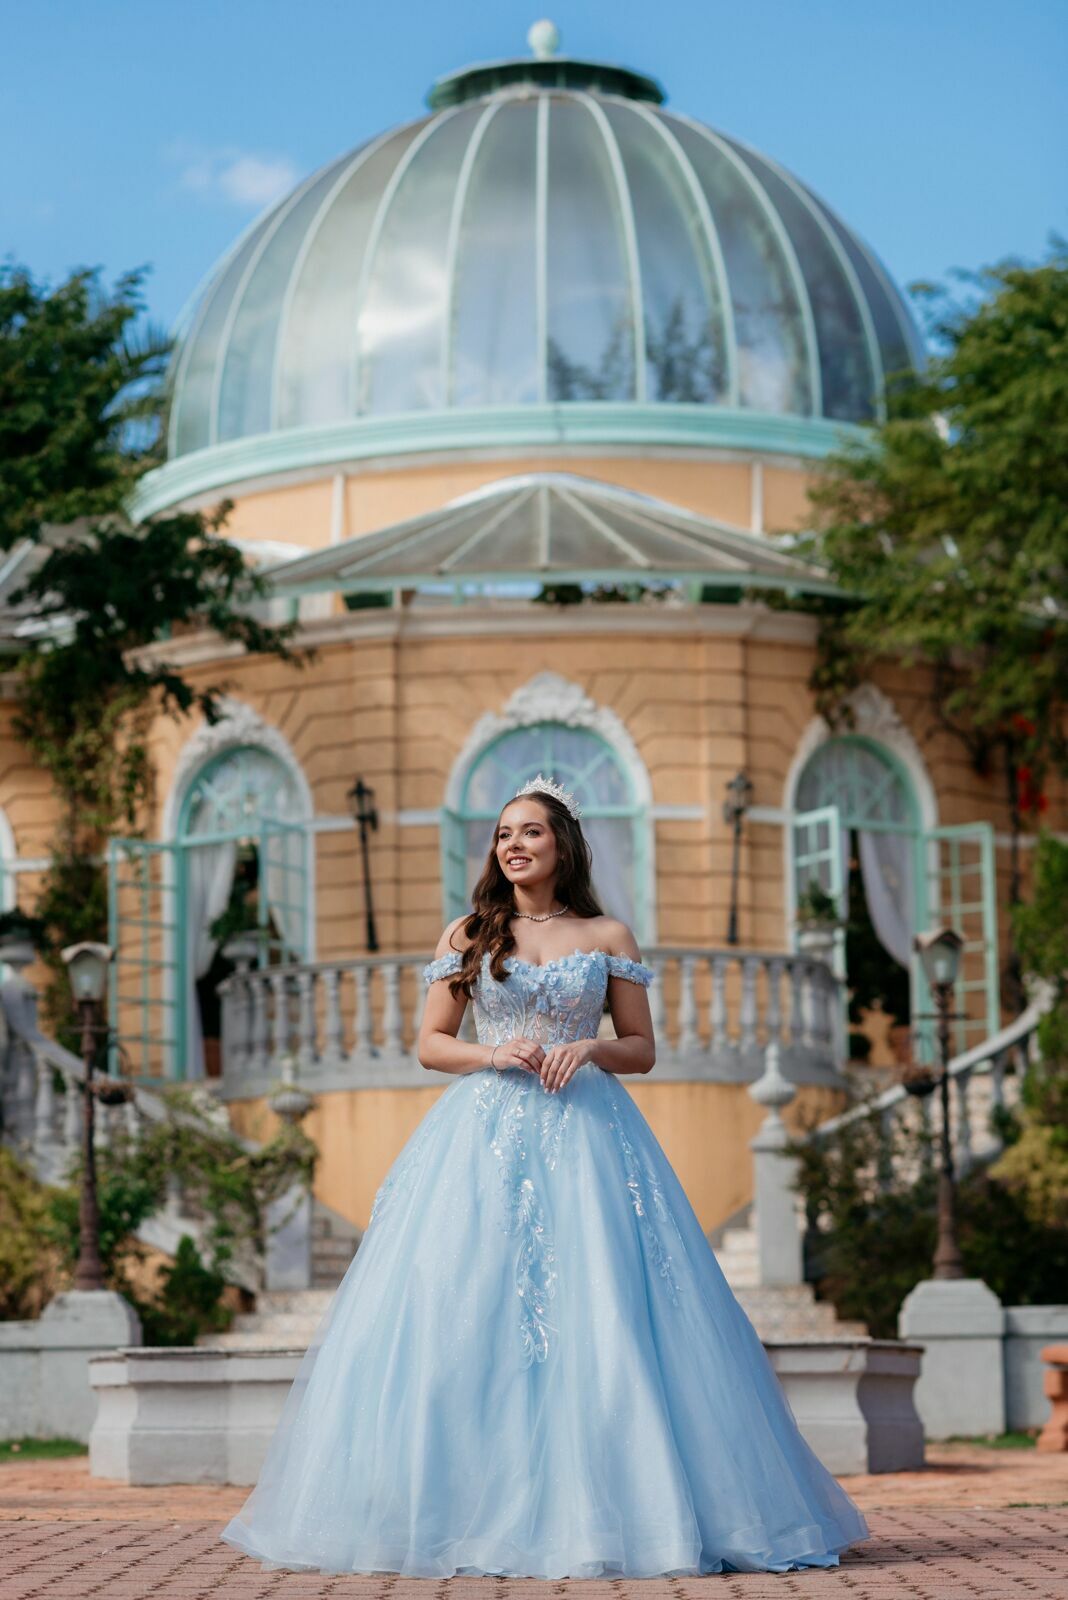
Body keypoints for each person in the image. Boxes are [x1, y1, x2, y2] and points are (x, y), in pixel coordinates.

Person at [222, 774, 869, 1577]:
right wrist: (493, 1053)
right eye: (502, 834)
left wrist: (587, 1046)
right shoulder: (468, 934)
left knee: (607, 1308)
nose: (513, 845)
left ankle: (626, 1513)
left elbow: (642, 1047)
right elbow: (430, 1043)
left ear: (562, 845)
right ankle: (454, 1509)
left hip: (590, 1136)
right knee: (463, 1308)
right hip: (483, 1140)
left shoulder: (608, 936)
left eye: (530, 831)